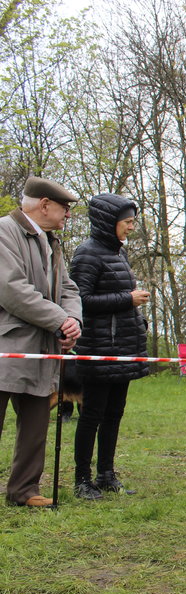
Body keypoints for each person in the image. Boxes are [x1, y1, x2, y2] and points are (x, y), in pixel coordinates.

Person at [0, 176, 82, 507]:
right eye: (64, 208)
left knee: (35, 424)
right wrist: (58, 320)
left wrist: (73, 321)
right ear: (44, 205)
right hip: (6, 347)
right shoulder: (4, 232)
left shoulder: (51, 242)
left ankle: (24, 491)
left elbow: (69, 289)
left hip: (42, 349)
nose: (68, 215)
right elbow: (12, 289)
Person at [69, 194, 150, 500]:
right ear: (109, 222)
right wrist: (128, 299)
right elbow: (81, 300)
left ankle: (106, 474)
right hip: (98, 348)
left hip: (123, 349)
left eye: (132, 222)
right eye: (127, 222)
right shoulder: (87, 253)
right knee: (92, 415)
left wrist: (136, 318)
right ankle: (82, 480)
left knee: (114, 413)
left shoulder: (119, 253)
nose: (131, 227)